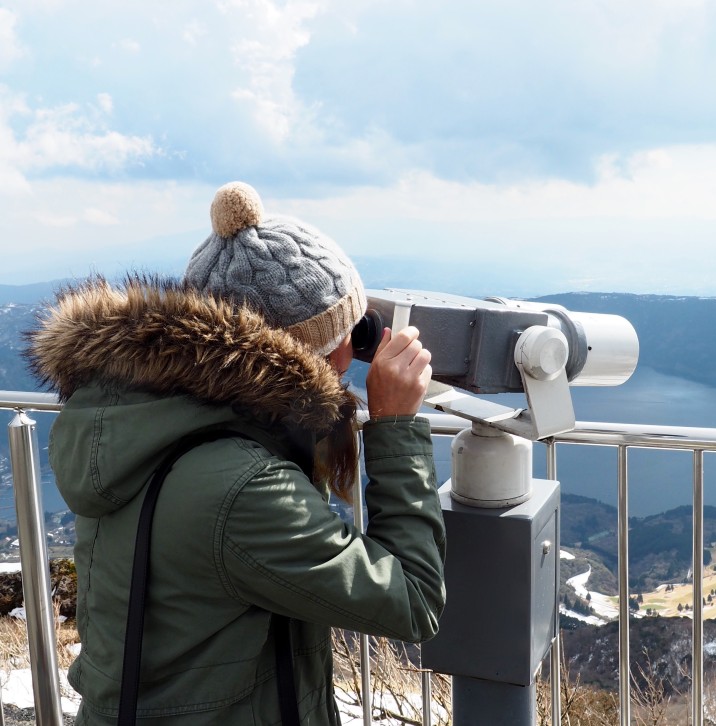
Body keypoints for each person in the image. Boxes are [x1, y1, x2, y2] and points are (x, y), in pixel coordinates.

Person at [27, 181, 445, 724]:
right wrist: (395, 427)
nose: (357, 343)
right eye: (349, 330)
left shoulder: (144, 420)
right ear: (309, 356)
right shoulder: (244, 487)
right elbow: (412, 600)